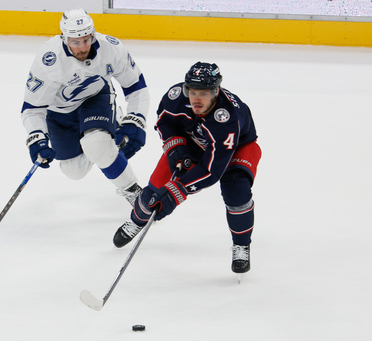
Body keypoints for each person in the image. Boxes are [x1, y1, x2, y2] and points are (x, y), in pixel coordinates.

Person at [113, 62, 262, 274]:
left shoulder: (226, 118)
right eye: (192, 92)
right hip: (194, 142)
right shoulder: (176, 97)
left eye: (203, 93)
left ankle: (241, 244)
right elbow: (165, 121)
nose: (196, 99)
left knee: (236, 191)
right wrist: (176, 148)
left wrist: (177, 191)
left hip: (236, 149)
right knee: (155, 190)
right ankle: (137, 221)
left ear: (215, 92)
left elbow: (211, 171)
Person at [20, 8, 150, 203]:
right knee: (74, 171)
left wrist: (136, 119)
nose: (82, 48)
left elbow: (136, 87)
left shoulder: (111, 48)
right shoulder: (49, 60)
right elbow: (32, 108)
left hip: (95, 98)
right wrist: (37, 137)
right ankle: (110, 131)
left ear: (93, 34)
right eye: (75, 42)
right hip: (59, 112)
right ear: (65, 39)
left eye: (87, 40)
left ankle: (133, 192)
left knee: (96, 144)